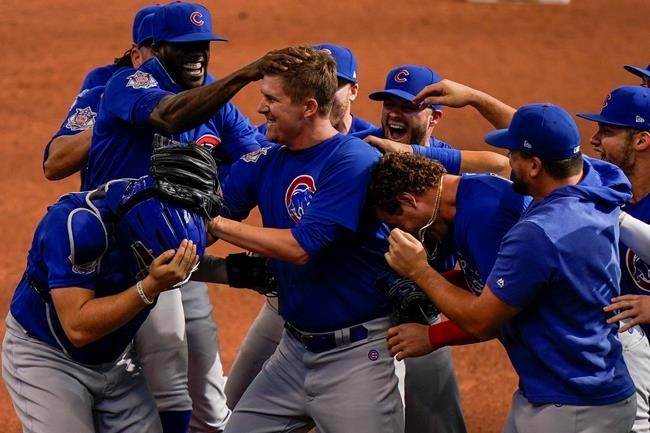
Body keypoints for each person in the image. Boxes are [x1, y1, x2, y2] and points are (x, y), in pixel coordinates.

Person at [385, 102, 636, 433]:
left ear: (534, 166)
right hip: (564, 388)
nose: (507, 162)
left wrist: (420, 271)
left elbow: (482, 320)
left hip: (574, 404)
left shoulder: (540, 233)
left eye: (514, 154)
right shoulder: (599, 181)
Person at [209, 46, 403, 433]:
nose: (261, 108)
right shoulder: (268, 159)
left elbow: (301, 247)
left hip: (356, 358)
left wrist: (215, 225)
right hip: (293, 351)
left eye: (271, 99)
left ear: (309, 107)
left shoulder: (350, 161)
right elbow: (209, 211)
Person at [1, 175, 202, 433]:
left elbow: (175, 263)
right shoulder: (79, 227)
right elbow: (78, 328)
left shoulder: (159, 214)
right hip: (48, 357)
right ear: (136, 240)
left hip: (116, 360)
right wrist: (150, 286)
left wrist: (238, 272)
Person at [366, 152, 530, 359]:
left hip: (564, 365)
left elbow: (497, 315)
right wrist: (436, 284)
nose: (403, 232)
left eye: (397, 224)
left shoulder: (485, 216)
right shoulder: (467, 196)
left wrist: (433, 335)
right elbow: (493, 279)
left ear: (408, 200)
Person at [577, 85, 650, 433]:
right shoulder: (603, 186)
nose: (594, 139)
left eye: (607, 131)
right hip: (622, 357)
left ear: (641, 141)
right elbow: (542, 150)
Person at [43, 5, 159, 182]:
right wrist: (110, 121)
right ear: (137, 55)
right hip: (108, 200)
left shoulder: (201, 92)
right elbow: (54, 164)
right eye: (158, 49)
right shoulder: (104, 82)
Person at [355, 66, 512, 177]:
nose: (394, 114)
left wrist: (475, 98)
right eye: (389, 106)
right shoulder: (357, 145)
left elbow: (506, 166)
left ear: (434, 118)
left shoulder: (450, 164)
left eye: (407, 108)